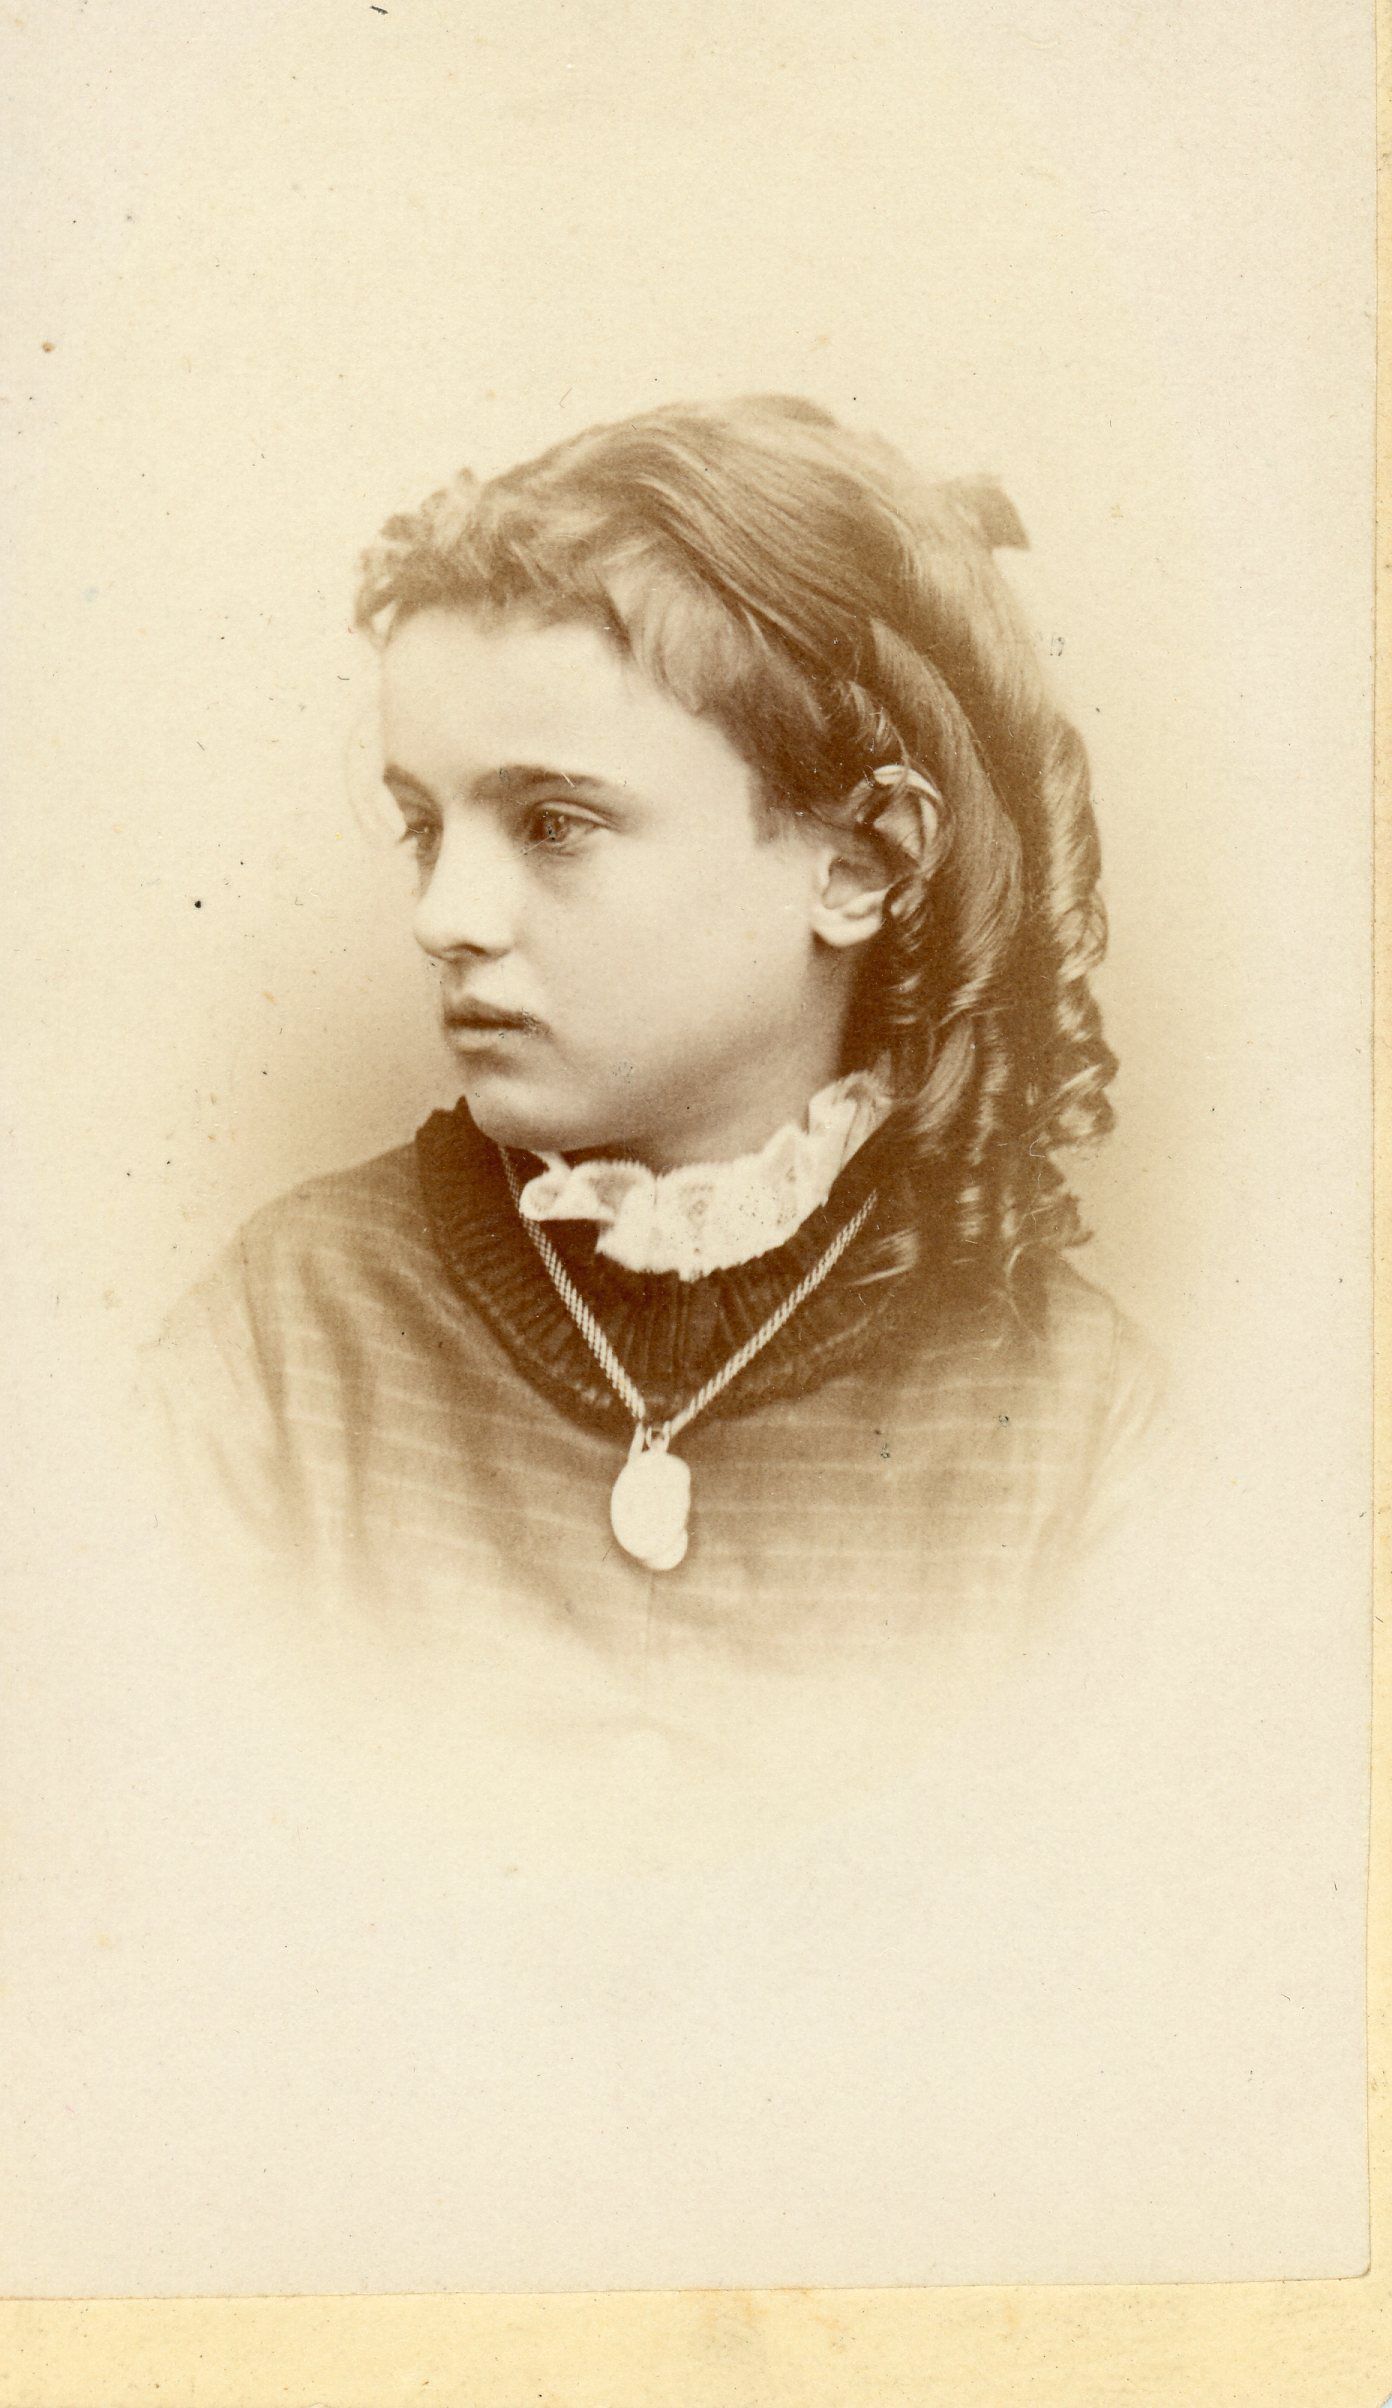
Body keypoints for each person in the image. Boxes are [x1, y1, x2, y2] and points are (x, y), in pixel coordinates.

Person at [147, 395, 1164, 1670]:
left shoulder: (1071, 1419)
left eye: (555, 824)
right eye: (425, 827)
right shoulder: (289, 1327)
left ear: (861, 864)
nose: (444, 918)